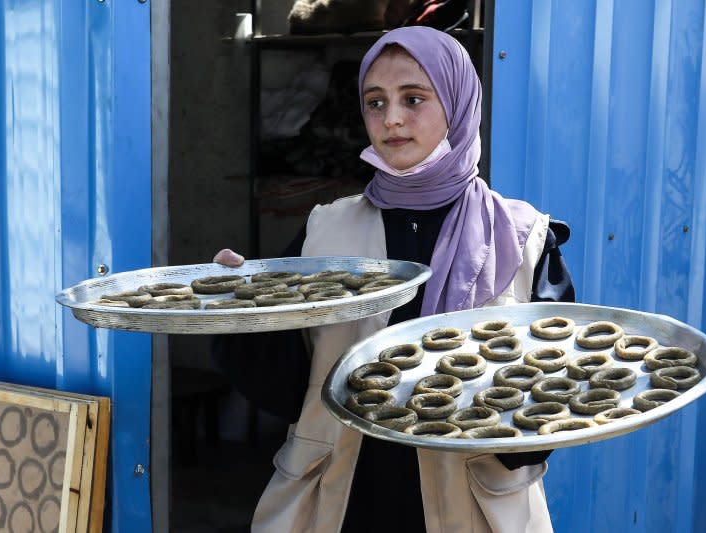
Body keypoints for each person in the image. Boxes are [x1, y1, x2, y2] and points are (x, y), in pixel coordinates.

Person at [212, 25, 574, 533]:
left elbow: (556, 395)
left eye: (414, 98)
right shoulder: (326, 230)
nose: (392, 119)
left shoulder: (524, 238)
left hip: (468, 506)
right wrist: (238, 309)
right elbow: (287, 385)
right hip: (345, 502)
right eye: (375, 102)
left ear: (457, 103)